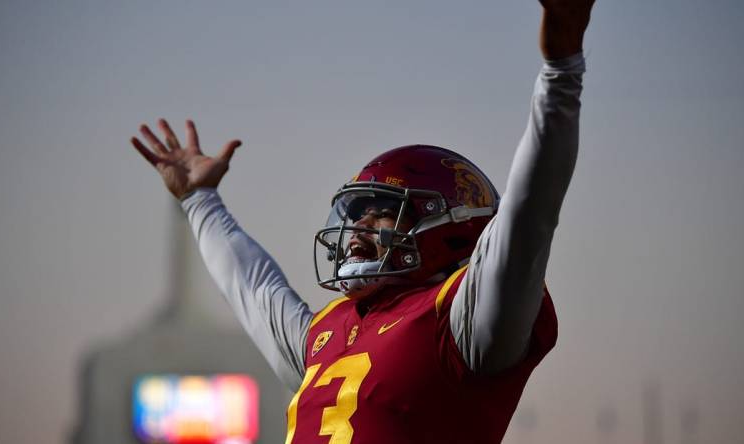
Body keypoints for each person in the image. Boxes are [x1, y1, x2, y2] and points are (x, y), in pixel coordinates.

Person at [131, 1, 594, 442]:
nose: (358, 226)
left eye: (382, 212)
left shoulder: (462, 320)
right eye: (355, 213)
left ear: (451, 227)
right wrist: (199, 201)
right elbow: (255, 289)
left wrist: (560, 72)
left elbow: (530, 214)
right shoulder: (330, 332)